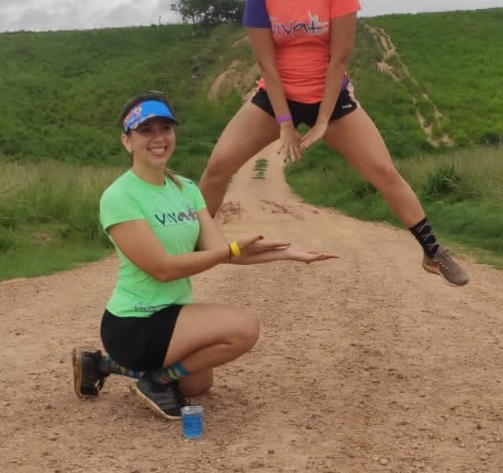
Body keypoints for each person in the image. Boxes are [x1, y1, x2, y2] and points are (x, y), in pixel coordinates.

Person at [198, 0, 469, 287]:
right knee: (218, 166)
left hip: (330, 94)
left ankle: (433, 252)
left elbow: (338, 60)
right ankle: (193, 246)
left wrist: (323, 120)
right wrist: (286, 122)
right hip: (276, 96)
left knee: (383, 171)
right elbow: (267, 66)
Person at [72, 91, 337, 421]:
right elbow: (163, 269)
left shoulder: (185, 188)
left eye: (165, 128)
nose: (158, 138)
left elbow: (220, 251)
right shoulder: (119, 196)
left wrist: (286, 252)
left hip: (172, 313)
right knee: (244, 329)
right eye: (146, 130)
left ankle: (99, 364)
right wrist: (231, 250)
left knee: (198, 385)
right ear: (127, 141)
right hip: (133, 324)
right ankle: (154, 381)